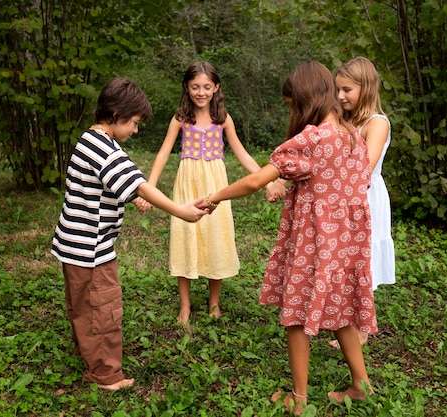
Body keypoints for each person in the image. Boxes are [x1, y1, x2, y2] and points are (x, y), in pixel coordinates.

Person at [198, 61, 377, 414]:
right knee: (340, 312)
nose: (292, 111)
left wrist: (214, 197)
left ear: (305, 100)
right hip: (345, 243)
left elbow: (254, 181)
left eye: (292, 104)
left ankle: (299, 399)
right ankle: (361, 385)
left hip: (314, 241)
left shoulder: (313, 139)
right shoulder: (352, 135)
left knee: (295, 315)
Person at [51, 77, 207, 391]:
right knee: (103, 309)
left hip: (73, 246)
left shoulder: (89, 140)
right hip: (93, 251)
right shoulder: (106, 149)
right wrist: (180, 210)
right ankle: (106, 375)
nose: (135, 130)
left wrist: (132, 197)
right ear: (117, 114)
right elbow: (137, 183)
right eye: (134, 123)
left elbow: (109, 185)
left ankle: (87, 354)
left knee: (83, 306)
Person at [134, 61, 274, 324]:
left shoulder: (223, 119)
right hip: (187, 183)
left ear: (216, 87)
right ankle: (185, 306)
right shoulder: (180, 118)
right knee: (185, 236)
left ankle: (214, 303)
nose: (201, 92)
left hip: (215, 184)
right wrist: (148, 189)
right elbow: (163, 154)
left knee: (215, 236)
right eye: (195, 86)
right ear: (187, 88)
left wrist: (267, 180)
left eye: (206, 87)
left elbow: (242, 153)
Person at [328, 56, 396, 350]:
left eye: (347, 90)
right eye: (338, 90)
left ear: (365, 87)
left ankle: (363, 329)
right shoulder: (346, 119)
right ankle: (350, 322)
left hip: (365, 197)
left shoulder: (376, 123)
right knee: (346, 259)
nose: (340, 96)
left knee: (362, 260)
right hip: (343, 195)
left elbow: (364, 167)